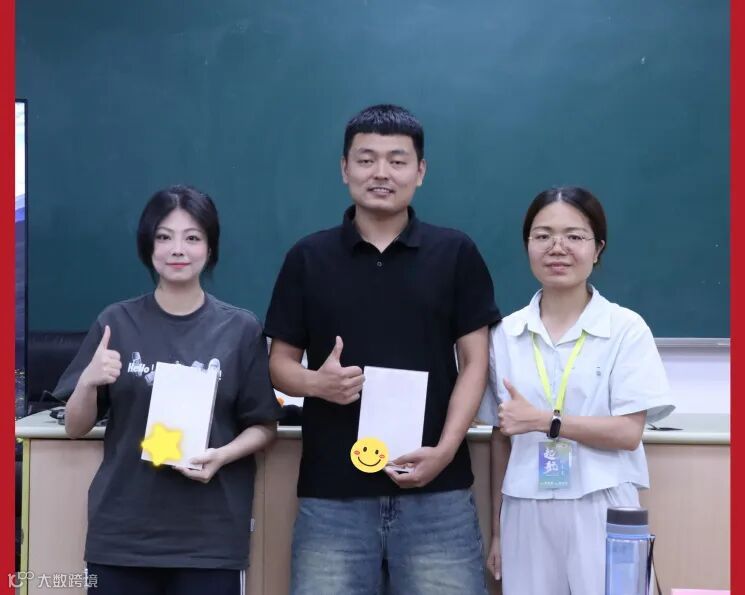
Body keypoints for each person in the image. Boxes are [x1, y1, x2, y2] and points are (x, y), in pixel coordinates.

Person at [264, 104, 501, 594]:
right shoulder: (308, 257)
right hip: (333, 495)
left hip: (437, 492)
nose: (381, 173)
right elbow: (279, 364)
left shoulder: (455, 253)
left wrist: (445, 451)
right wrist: (316, 383)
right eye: (366, 159)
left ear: (420, 171)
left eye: (397, 160)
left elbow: (475, 363)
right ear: (344, 168)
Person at [54, 185, 282, 595]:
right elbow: (74, 426)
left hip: (209, 539)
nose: (178, 249)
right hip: (122, 536)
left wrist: (221, 455)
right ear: (149, 246)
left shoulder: (240, 328)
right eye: (164, 237)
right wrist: (87, 381)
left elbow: (264, 426)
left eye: (192, 237)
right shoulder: (116, 322)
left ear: (210, 248)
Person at [479, 186, 674, 595]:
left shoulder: (625, 329)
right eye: (543, 235)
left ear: (597, 248)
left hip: (604, 502)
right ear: (527, 245)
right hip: (525, 505)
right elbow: (502, 436)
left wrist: (546, 421)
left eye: (574, 236)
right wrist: (496, 530)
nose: (558, 247)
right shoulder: (505, 334)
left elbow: (628, 432)